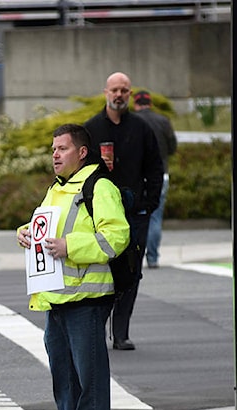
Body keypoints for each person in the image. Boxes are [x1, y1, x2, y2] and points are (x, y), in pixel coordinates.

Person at [16, 123, 130, 410]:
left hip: (87, 298)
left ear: (82, 152)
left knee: (89, 381)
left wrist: (71, 248)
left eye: (62, 149)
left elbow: (117, 235)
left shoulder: (100, 187)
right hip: (58, 299)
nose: (55, 155)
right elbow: (52, 228)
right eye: (53, 149)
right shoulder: (58, 189)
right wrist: (28, 231)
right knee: (65, 382)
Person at [84, 72, 164, 351]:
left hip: (135, 213)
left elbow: (155, 168)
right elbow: (80, 171)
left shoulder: (141, 129)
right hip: (101, 215)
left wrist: (148, 204)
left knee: (131, 273)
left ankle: (121, 333)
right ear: (105, 92)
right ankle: (96, 330)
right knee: (102, 272)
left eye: (124, 90)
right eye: (114, 90)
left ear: (130, 94)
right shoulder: (91, 128)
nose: (119, 95)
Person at [133, 89, 177, 269]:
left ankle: (136, 256)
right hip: (160, 175)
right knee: (155, 217)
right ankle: (152, 258)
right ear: (150, 103)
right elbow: (172, 147)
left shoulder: (133, 122)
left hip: (136, 177)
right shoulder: (163, 121)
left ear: (135, 104)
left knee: (136, 217)